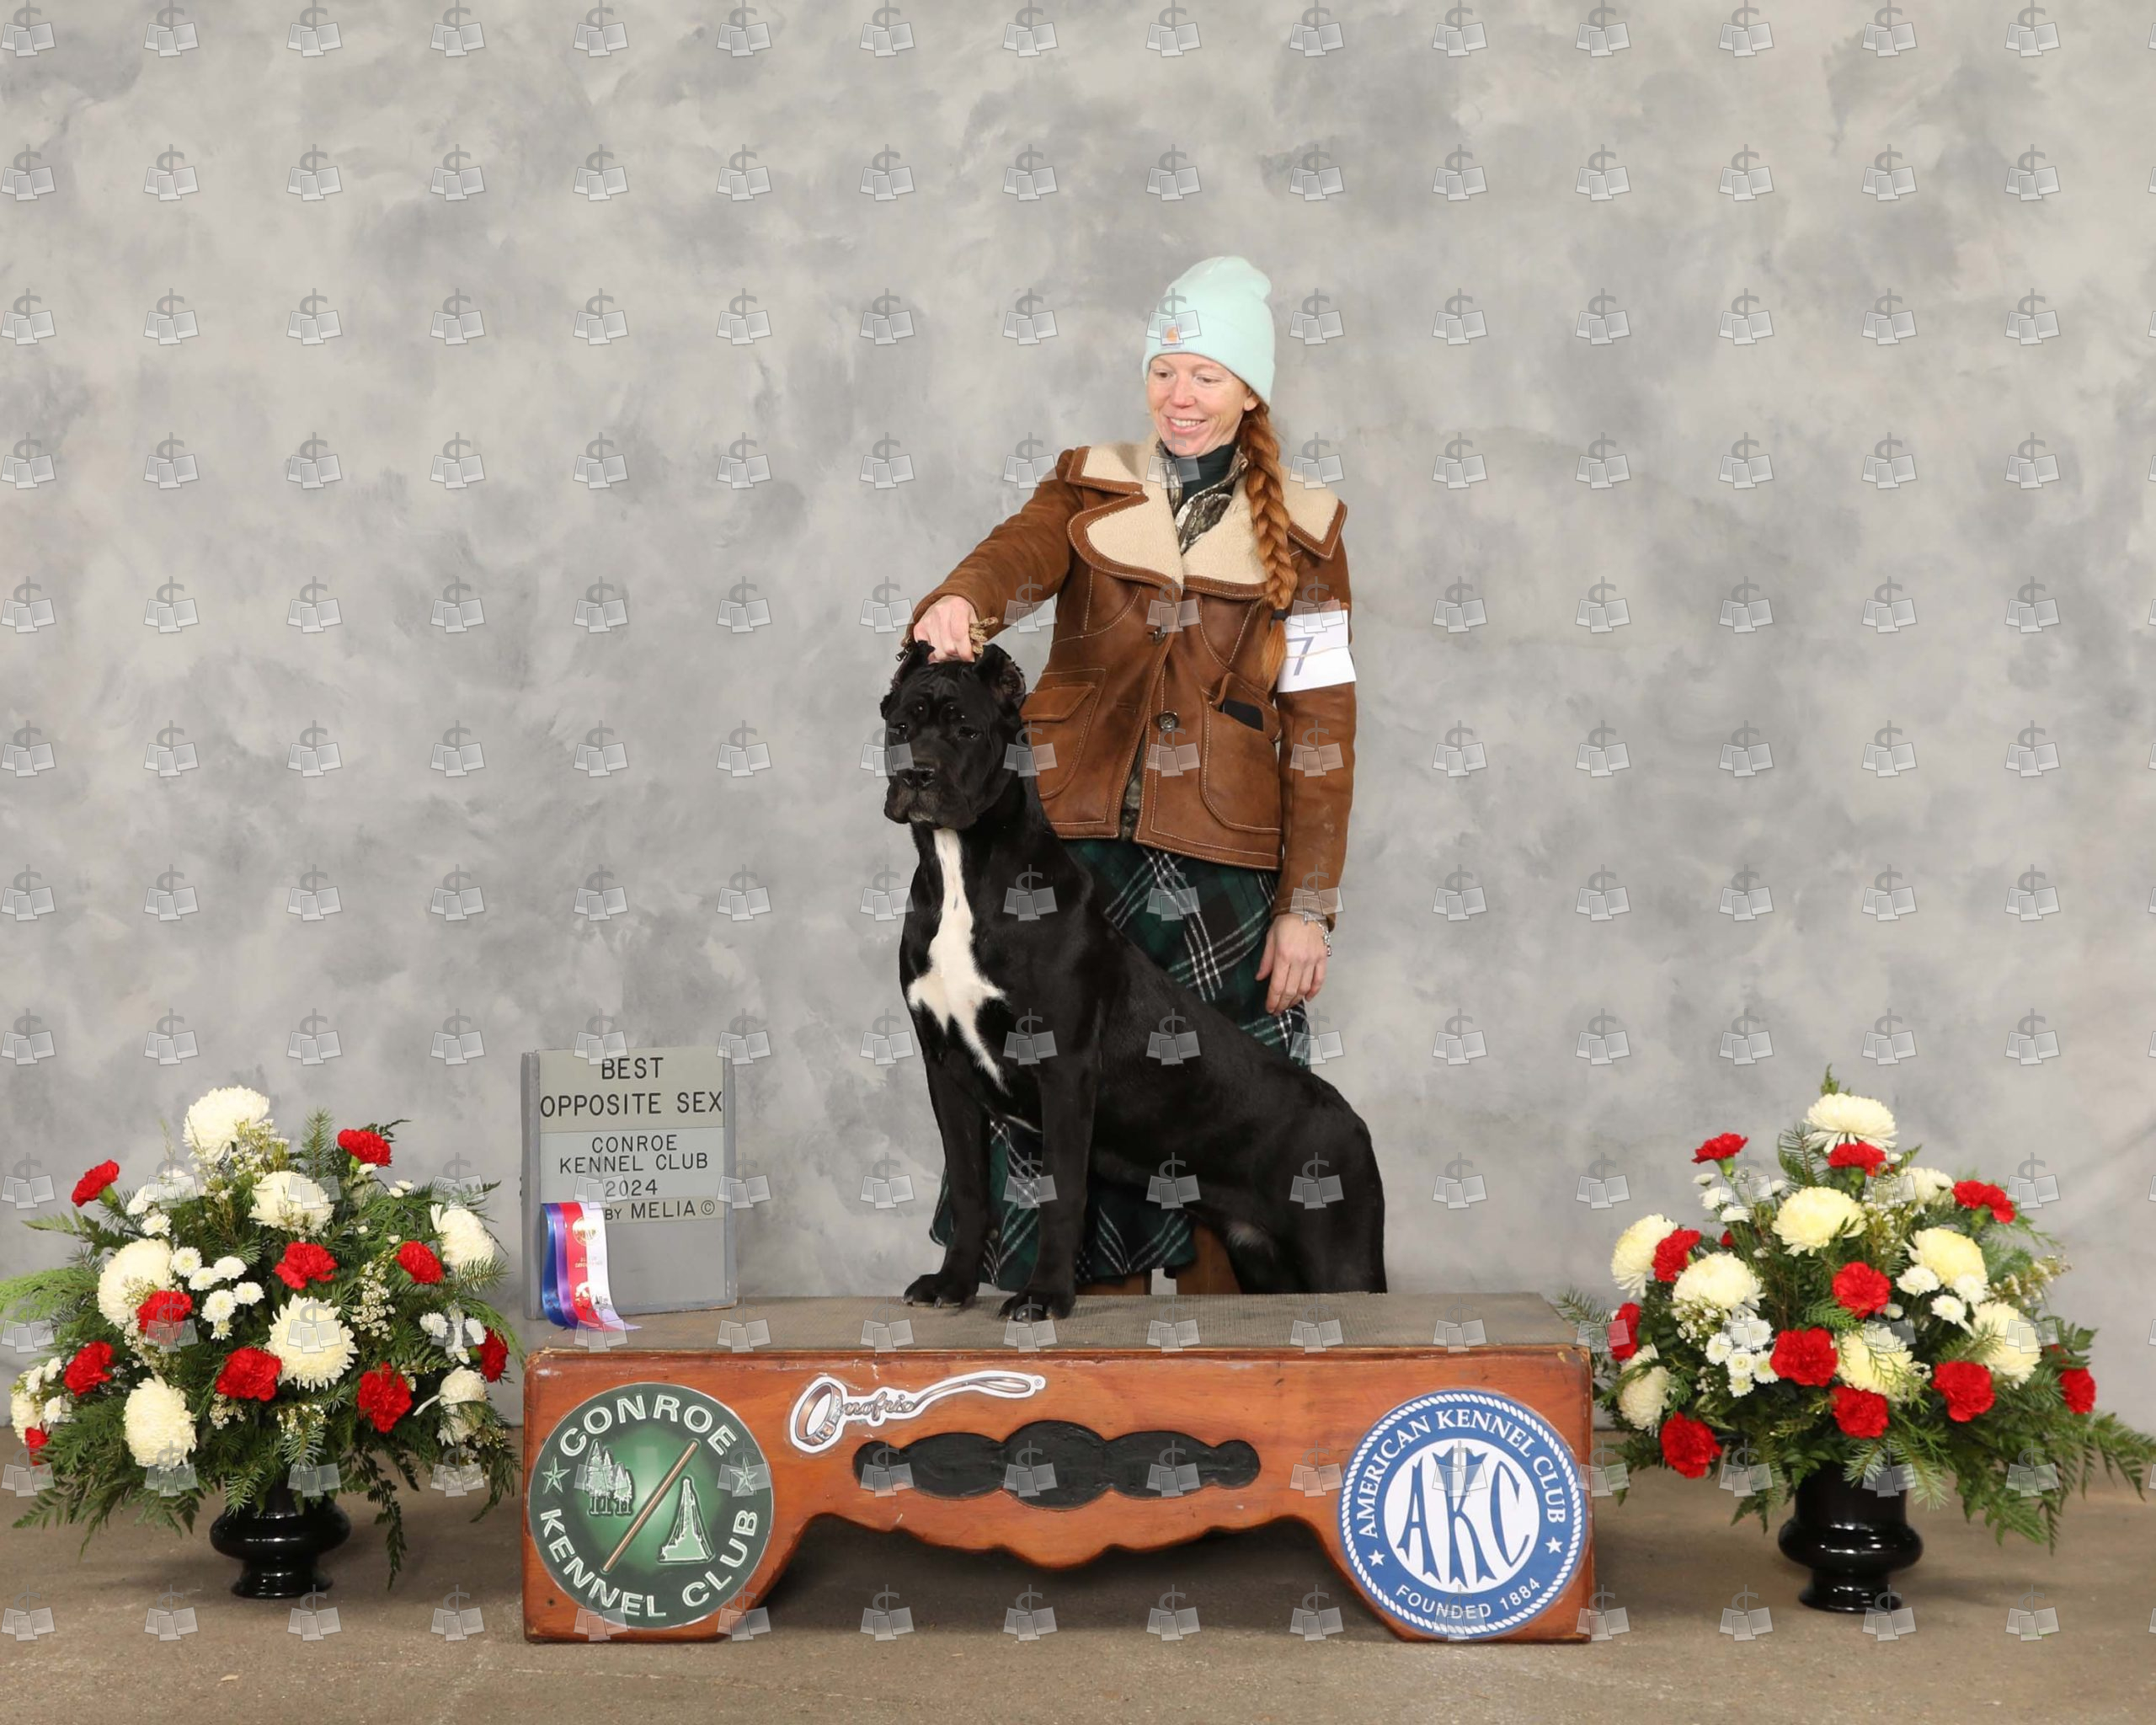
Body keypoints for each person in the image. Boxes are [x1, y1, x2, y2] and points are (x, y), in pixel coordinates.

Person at [900, 254, 1359, 1299]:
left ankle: (1229, 1373)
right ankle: (1080, 1364)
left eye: (1205, 374)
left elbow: (1324, 730)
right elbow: (1011, 557)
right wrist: (959, 602)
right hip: (1072, 860)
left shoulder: (1312, 532)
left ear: (1249, 392)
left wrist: (1307, 907)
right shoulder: (1085, 483)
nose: (1178, 396)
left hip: (1223, 873)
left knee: (1224, 1124)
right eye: (1163, 371)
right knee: (1057, 1109)